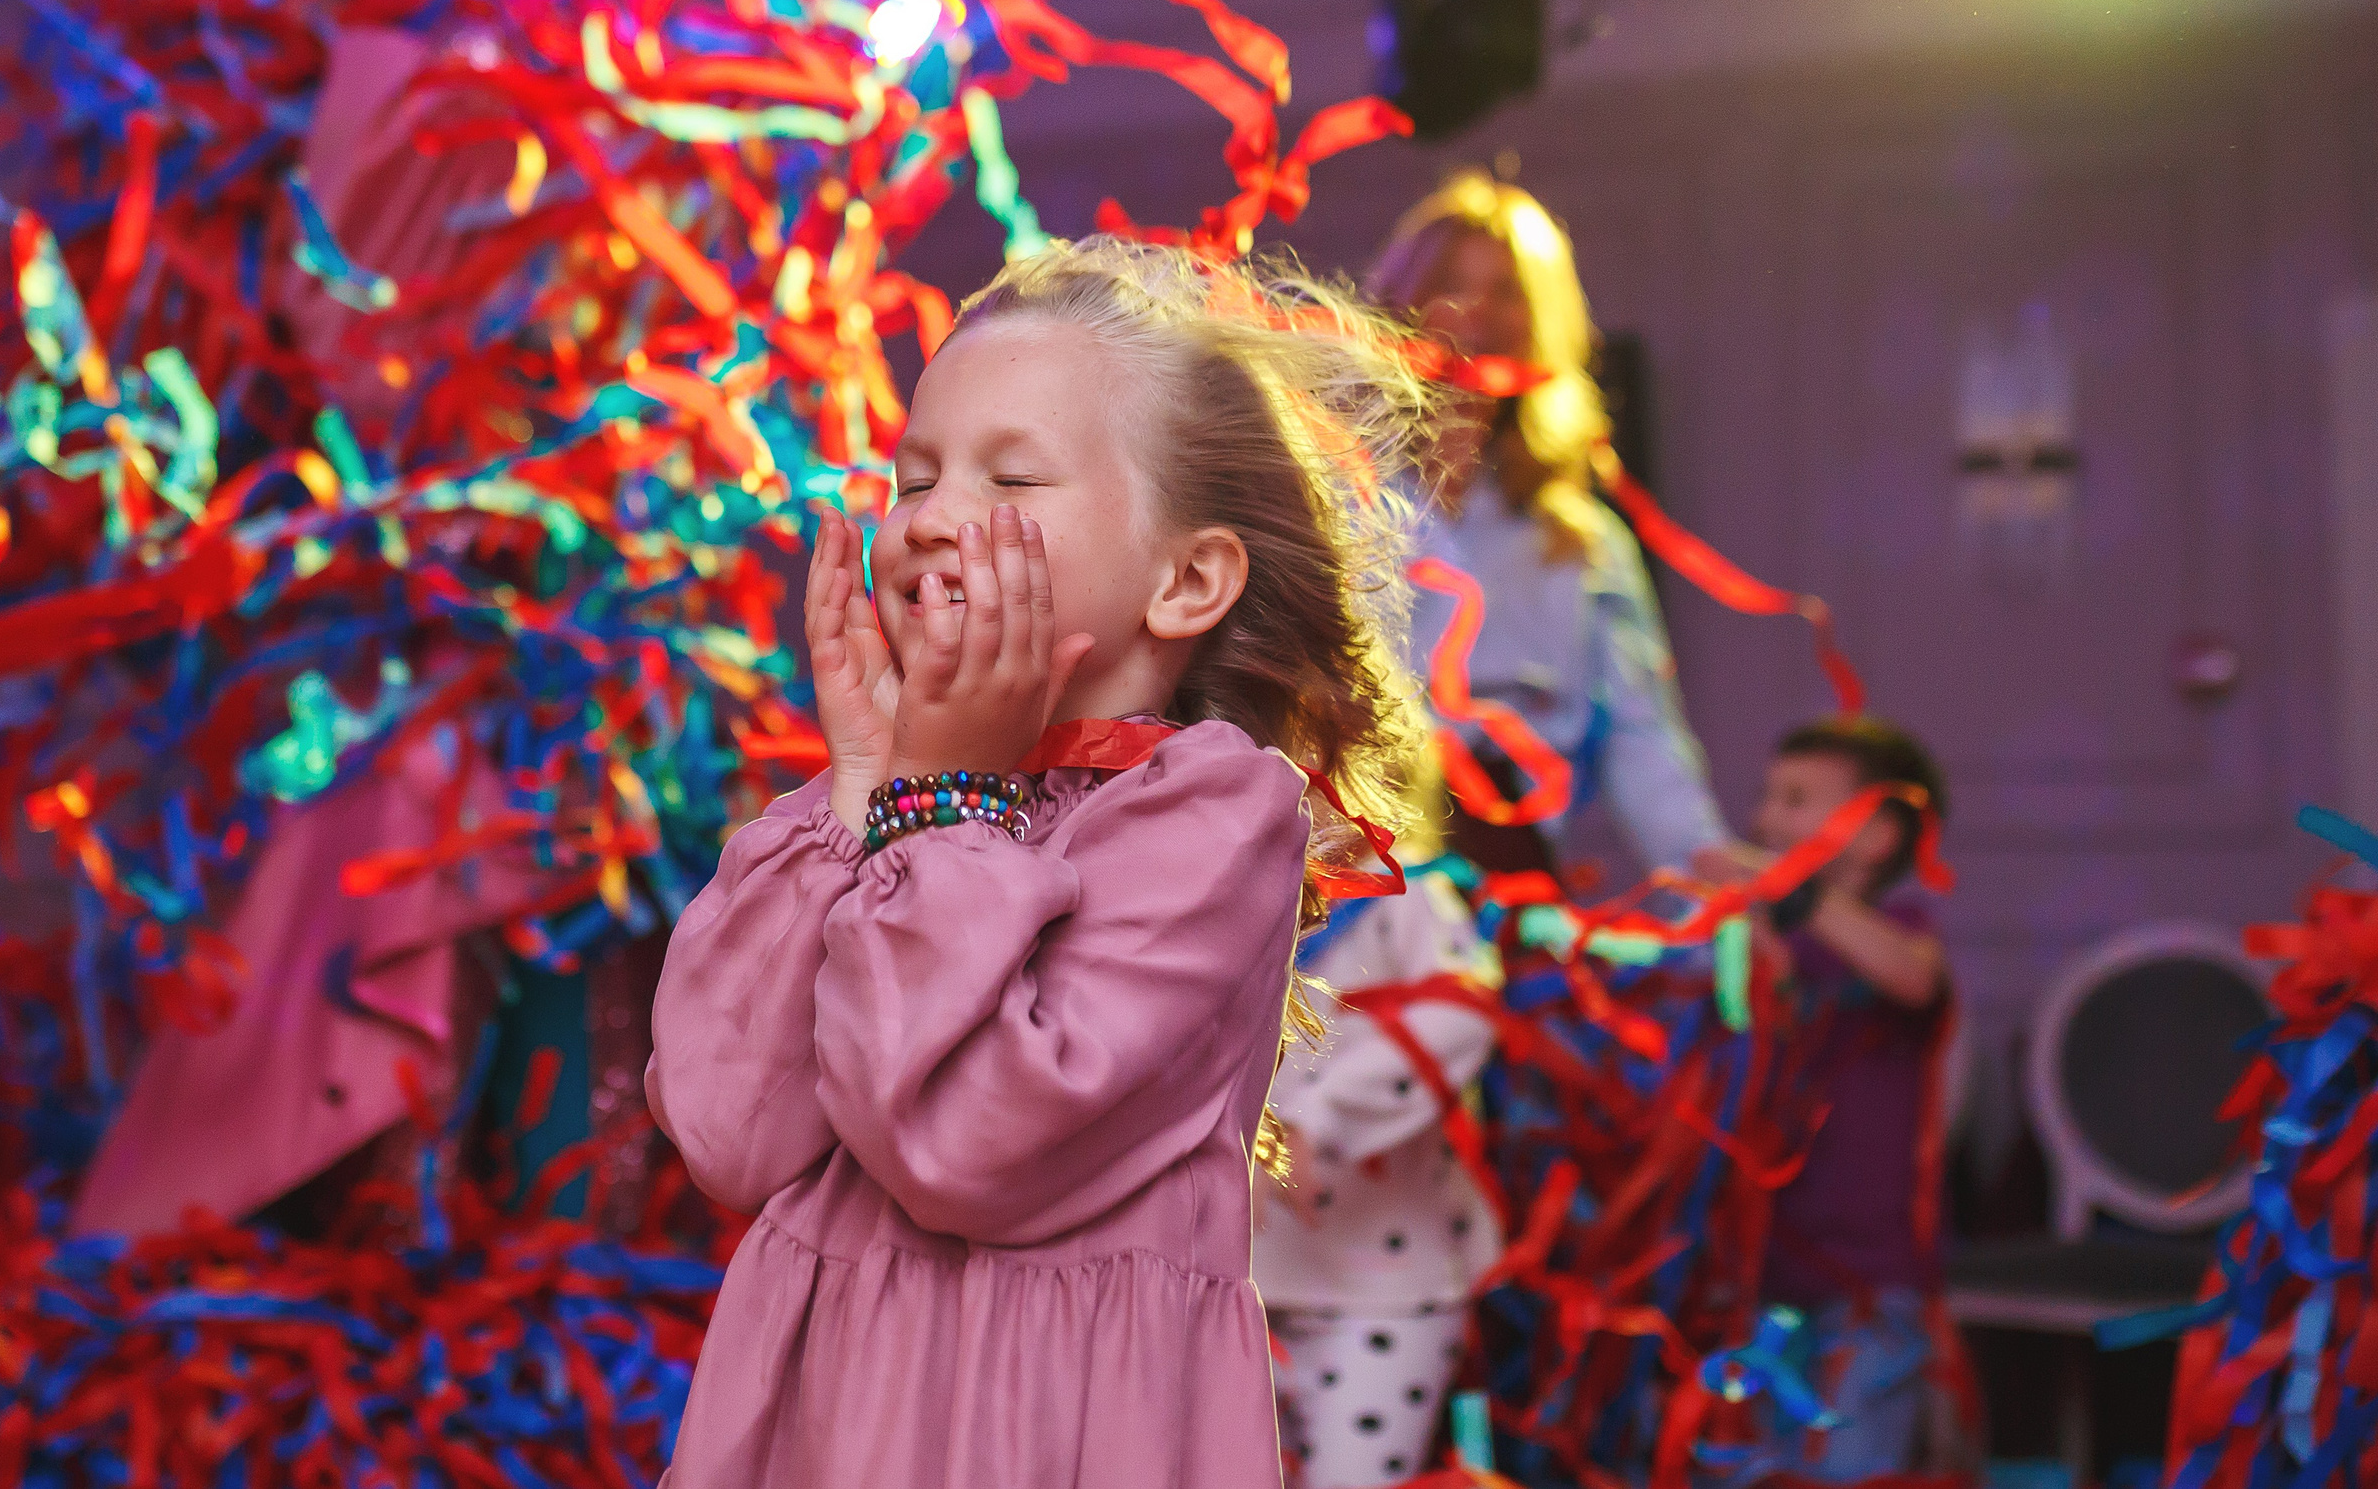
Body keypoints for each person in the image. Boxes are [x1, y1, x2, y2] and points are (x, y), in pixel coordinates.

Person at [643, 236, 1434, 1488]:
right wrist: (863, 789)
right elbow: (730, 1131)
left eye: (1011, 479)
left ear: (1185, 579)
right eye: (913, 478)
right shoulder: (897, 806)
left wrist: (939, 796)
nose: (935, 519)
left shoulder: (1214, 814)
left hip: (1040, 1439)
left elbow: (957, 1148)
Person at [1367, 172, 1748, 887]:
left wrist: (1715, 871)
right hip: (1351, 910)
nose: (1476, 310)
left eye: (1507, 290)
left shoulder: (1584, 546)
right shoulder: (1335, 508)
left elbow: (1644, 742)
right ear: (1401, 304)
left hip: (1511, 906)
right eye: (1451, 281)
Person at [1256, 834, 1504, 1489]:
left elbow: (1461, 1013)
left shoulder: (1405, 888)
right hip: (1231, 1277)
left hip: (1384, 1281)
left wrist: (1319, 1120)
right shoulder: (1212, 879)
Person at [1749, 716, 1953, 1481]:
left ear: (1876, 836)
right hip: (1765, 1270)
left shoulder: (1902, 929)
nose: (1769, 819)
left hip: (1872, 1282)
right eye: (1768, 797)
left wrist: (1794, 899)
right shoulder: (1765, 934)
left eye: (1797, 798)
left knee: (1854, 1465)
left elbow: (1916, 979)